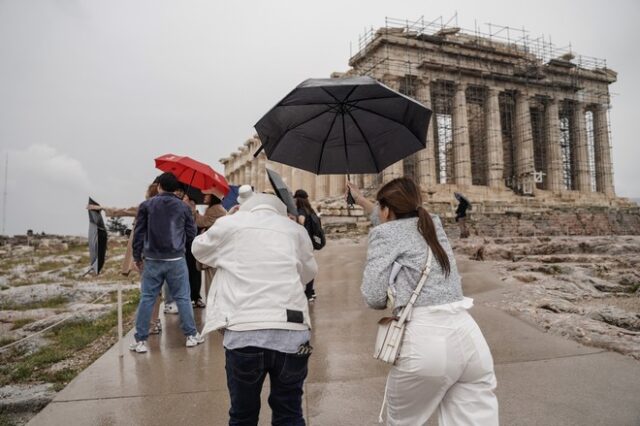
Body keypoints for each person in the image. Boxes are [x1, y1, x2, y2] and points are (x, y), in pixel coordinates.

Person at [347, 178, 498, 426]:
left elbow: (373, 297)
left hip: (426, 341)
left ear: (387, 210)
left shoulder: (385, 233)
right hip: (469, 338)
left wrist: (392, 292)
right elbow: (395, 223)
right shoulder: (432, 224)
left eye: (380, 208)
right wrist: (361, 199)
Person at [192, 192, 317, 426]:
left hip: (245, 331)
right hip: (292, 330)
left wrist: (227, 218)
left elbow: (198, 250)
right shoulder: (294, 230)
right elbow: (308, 273)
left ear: (246, 205)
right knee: (289, 411)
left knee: (242, 415)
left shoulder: (231, 223)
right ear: (279, 208)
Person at [130, 172, 204, 353]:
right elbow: (191, 233)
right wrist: (182, 247)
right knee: (183, 298)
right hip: (176, 259)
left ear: (160, 186)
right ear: (176, 189)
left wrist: (137, 257)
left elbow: (138, 234)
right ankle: (191, 335)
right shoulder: (183, 207)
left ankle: (140, 341)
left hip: (153, 259)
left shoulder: (146, 205)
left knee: (147, 298)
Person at [87, 181, 164, 334]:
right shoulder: (163, 210)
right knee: (155, 291)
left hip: (146, 254)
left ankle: (151, 323)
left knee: (149, 291)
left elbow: (122, 211)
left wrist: (100, 208)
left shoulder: (145, 207)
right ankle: (154, 321)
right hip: (158, 255)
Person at [191, 193, 227, 305]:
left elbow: (202, 222)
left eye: (207, 195)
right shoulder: (215, 209)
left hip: (213, 251)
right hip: (216, 251)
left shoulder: (215, 209)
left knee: (211, 283)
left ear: (214, 197)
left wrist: (194, 211)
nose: (204, 197)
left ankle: (213, 306)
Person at [294, 189, 319, 302]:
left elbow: (301, 221)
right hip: (310, 241)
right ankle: (311, 291)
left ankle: (307, 293)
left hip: (303, 241)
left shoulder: (301, 210)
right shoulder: (310, 209)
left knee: (302, 266)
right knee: (309, 265)